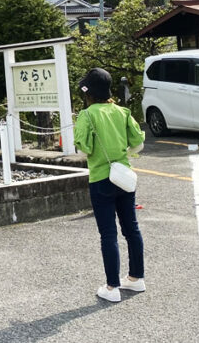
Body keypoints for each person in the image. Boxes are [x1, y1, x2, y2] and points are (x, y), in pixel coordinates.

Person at [74, 68, 146, 303]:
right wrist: (122, 152)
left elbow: (84, 150)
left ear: (89, 93)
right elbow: (138, 144)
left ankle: (112, 286)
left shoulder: (87, 115)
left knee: (108, 234)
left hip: (101, 178)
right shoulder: (122, 112)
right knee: (131, 229)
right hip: (124, 176)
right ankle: (136, 278)